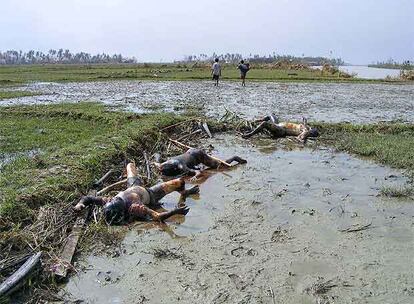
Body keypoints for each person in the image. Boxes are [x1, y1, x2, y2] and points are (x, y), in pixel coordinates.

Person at [74, 163, 199, 225]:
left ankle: (183, 191)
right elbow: (157, 216)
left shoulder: (109, 201)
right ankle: (184, 192)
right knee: (179, 181)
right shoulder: (136, 207)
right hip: (150, 194)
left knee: (130, 165)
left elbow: (88, 198)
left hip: (133, 186)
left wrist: (79, 205)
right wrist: (174, 212)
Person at [153, 148, 247, 179]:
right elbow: (158, 161)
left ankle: (235, 158)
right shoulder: (165, 163)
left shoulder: (180, 165)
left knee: (220, 166)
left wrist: (196, 175)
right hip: (190, 152)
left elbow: (193, 172)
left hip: (198, 155)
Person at [242, 114, 319, 142]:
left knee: (265, 124)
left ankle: (250, 134)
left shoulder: (305, 130)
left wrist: (300, 138)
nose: (311, 127)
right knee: (271, 115)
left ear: (311, 131)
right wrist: (304, 119)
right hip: (279, 125)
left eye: (311, 129)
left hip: (281, 130)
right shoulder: (305, 126)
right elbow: (305, 122)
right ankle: (259, 120)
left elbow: (303, 134)